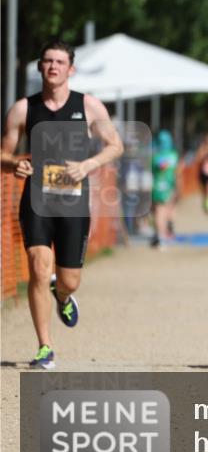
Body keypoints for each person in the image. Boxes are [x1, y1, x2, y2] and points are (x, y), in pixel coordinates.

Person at [1, 39, 123, 369]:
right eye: (47, 61)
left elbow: (115, 146)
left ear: (71, 69)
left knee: (69, 280)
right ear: (40, 68)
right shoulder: (23, 109)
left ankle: (64, 295)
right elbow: (3, 153)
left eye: (59, 62)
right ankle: (45, 347)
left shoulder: (89, 106)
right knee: (39, 269)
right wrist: (13, 165)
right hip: (36, 201)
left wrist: (88, 165)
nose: (53, 66)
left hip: (73, 204)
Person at [150, 129, 179, 249]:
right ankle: (165, 234)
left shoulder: (156, 156)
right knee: (166, 211)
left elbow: (158, 168)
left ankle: (161, 236)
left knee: (160, 212)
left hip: (159, 186)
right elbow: (176, 172)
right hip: (169, 186)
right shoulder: (173, 155)